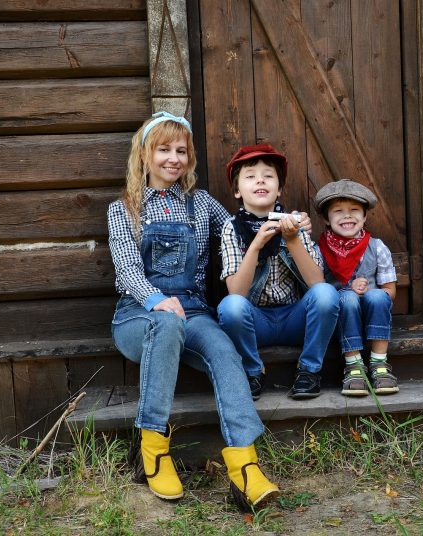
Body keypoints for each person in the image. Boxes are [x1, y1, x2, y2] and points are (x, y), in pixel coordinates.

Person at [107, 112, 279, 511]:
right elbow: (128, 268)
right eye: (163, 150)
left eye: (181, 151)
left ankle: (245, 467)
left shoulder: (201, 204)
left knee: (223, 352)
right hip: (137, 315)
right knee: (165, 322)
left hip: (195, 311)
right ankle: (153, 449)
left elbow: (239, 226)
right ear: (145, 156)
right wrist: (155, 300)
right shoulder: (124, 209)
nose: (173, 158)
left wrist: (281, 221)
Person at [217, 144, 339, 400]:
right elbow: (236, 292)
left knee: (328, 294)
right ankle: (252, 370)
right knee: (230, 307)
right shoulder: (231, 227)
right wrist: (256, 245)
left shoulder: (295, 222)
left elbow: (317, 283)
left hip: (295, 317)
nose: (260, 179)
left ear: (279, 188)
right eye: (250, 176)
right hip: (255, 321)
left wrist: (292, 239)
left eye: (268, 176)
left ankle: (309, 370)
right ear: (238, 190)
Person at [313, 179, 399, 396]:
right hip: (342, 316)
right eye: (338, 211)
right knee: (347, 298)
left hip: (372, 312)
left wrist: (369, 291)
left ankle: (379, 364)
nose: (347, 216)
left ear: (365, 216)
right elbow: (318, 294)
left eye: (354, 210)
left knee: (379, 297)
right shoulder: (319, 250)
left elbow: (390, 291)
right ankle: (354, 366)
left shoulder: (377, 247)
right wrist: (348, 289)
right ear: (326, 218)